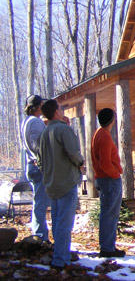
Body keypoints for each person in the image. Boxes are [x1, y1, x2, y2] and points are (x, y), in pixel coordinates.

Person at [37, 99, 84, 270]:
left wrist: (49, 175)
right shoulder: (64, 129)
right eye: (60, 108)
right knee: (64, 222)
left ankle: (62, 254)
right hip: (66, 182)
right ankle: (59, 259)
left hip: (51, 184)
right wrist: (80, 162)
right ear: (56, 112)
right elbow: (73, 153)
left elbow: (40, 162)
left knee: (57, 222)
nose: (62, 110)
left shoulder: (43, 134)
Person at [91, 108, 125, 258]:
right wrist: (115, 174)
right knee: (110, 214)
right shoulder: (104, 136)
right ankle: (107, 248)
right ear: (112, 120)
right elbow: (105, 163)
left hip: (103, 178)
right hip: (109, 180)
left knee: (108, 213)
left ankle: (107, 246)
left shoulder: (99, 133)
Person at [20, 94, 50, 243]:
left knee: (39, 202)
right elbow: (37, 145)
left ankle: (40, 234)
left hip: (31, 165)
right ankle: (40, 236)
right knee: (40, 204)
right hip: (37, 166)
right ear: (38, 107)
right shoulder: (35, 123)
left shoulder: (27, 121)